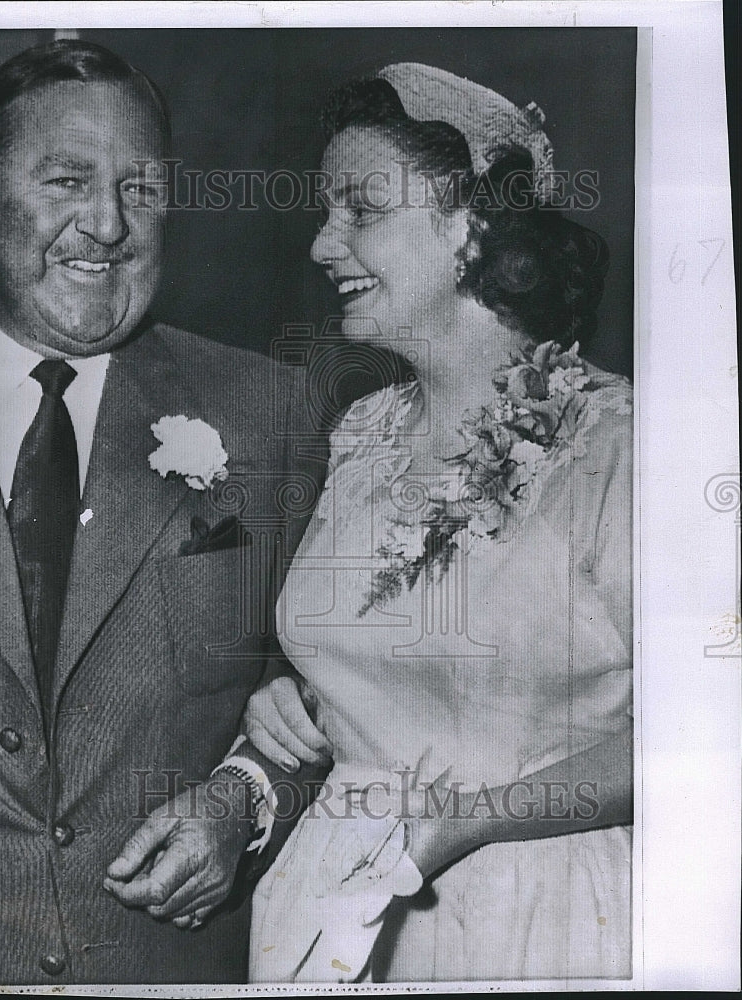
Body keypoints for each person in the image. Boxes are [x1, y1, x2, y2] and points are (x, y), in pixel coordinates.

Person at [0, 39, 321, 985]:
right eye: (67, 181)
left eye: (143, 190)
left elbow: (338, 688)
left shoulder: (269, 414)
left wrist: (246, 797)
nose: (109, 223)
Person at [242, 63, 633, 982]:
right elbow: (372, 661)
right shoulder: (361, 434)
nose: (320, 245)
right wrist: (297, 702)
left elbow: (702, 735)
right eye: (324, 211)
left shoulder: (621, 445)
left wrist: (475, 818)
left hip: (535, 916)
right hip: (325, 905)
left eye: (360, 210)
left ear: (470, 226)